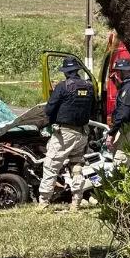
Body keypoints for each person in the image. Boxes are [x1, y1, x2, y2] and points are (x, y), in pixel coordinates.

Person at [38, 56, 95, 210]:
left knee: (51, 165)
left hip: (65, 134)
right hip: (82, 133)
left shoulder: (63, 87)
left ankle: (43, 202)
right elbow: (93, 108)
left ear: (65, 72)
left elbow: (49, 109)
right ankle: (76, 202)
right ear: (77, 70)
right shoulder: (89, 86)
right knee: (76, 166)